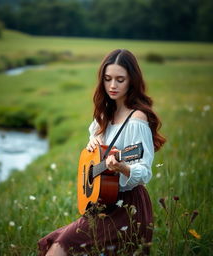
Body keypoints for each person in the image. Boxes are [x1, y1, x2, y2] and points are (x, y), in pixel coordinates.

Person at [38, 49, 166, 256]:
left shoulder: (137, 120)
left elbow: (144, 171)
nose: (113, 86)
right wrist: (94, 142)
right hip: (102, 204)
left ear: (132, 81)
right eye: (107, 79)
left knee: (57, 250)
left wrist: (121, 167)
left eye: (120, 79)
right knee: (55, 244)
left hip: (127, 208)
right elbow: (93, 135)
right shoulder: (106, 113)